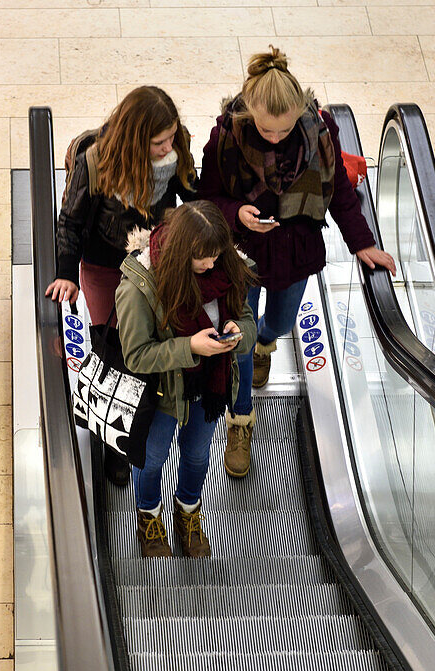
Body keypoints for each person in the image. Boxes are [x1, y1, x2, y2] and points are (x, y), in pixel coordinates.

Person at [198, 46, 395, 479]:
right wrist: (237, 214)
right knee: (239, 340)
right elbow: (205, 196)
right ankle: (240, 420)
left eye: (284, 130)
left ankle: (268, 343)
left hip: (296, 251)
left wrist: (362, 242)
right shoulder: (226, 137)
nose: (275, 138)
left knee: (280, 323)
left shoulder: (320, 131)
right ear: (250, 113)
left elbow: (339, 190)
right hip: (242, 254)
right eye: (267, 131)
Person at [46, 85, 198, 485]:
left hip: (151, 262)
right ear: (135, 140)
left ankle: (139, 426)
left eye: (171, 138)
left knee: (147, 346)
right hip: (104, 267)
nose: (168, 148)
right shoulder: (96, 162)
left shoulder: (176, 149)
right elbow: (72, 221)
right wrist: (65, 271)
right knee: (116, 353)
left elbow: (194, 199)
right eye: (158, 143)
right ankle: (114, 442)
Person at [116, 202, 257, 558]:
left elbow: (249, 320)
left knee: (196, 456)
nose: (211, 265)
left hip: (210, 387)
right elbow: (136, 355)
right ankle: (149, 515)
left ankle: (188, 512)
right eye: (202, 258)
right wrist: (188, 347)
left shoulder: (228, 268)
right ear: (181, 251)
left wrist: (241, 331)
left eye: (216, 255)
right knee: (152, 459)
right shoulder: (140, 286)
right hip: (161, 396)